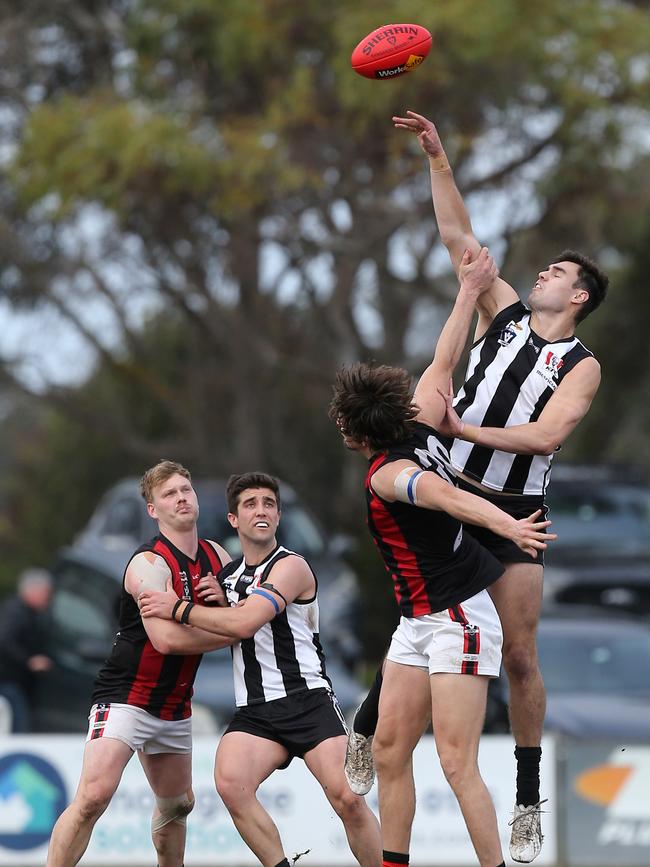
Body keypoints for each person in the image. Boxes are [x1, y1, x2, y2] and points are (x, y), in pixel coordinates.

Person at [344, 109, 610, 864]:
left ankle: (527, 797)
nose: (542, 275)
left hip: (514, 505)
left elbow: (547, 436)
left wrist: (465, 432)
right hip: (452, 483)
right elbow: (463, 247)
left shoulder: (581, 362)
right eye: (545, 269)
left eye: (558, 272)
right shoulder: (505, 313)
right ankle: (367, 724)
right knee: (415, 602)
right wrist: (439, 161)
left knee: (520, 656)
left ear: (581, 295)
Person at [329, 249, 555, 867]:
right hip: (417, 620)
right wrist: (470, 290)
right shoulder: (424, 417)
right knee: (389, 751)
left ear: (358, 433)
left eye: (342, 424)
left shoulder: (390, 474)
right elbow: (445, 357)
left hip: (456, 617)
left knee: (456, 762)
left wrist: (509, 523)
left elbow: (448, 497)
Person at [139, 471, 382, 867]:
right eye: (250, 504)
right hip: (256, 712)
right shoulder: (226, 578)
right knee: (231, 784)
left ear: (279, 515)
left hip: (308, 701)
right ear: (234, 520)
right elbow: (215, 622)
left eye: (269, 503)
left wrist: (179, 609)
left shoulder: (292, 567)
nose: (261, 510)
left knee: (348, 801)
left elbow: (244, 623)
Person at [46, 460, 232, 867]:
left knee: (177, 807)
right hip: (127, 697)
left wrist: (228, 611)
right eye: (169, 494)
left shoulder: (218, 556)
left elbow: (247, 610)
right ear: (153, 510)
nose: (181, 498)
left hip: (174, 704)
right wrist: (231, 630)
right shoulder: (148, 564)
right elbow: (165, 640)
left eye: (186, 489)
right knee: (93, 796)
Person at [0, 567, 53, 732]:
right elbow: (4, 640)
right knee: (18, 726)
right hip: (9, 682)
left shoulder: (29, 612)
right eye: (46, 592)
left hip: (17, 683)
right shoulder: (15, 612)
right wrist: (29, 661)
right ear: (32, 590)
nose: (48, 597)